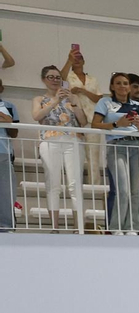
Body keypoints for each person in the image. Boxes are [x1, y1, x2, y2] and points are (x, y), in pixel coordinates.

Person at [91, 72, 139, 235]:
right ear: (112, 86)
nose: (122, 86)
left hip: (137, 146)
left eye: (125, 83)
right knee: (122, 189)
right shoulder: (105, 102)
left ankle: (132, 227)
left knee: (135, 191)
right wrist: (117, 124)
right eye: (118, 83)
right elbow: (95, 124)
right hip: (117, 145)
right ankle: (117, 227)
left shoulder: (138, 106)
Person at [32, 65, 87, 232]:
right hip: (50, 139)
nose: (55, 80)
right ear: (44, 80)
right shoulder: (39, 99)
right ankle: (55, 226)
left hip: (73, 140)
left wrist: (73, 102)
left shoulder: (73, 97)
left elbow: (83, 122)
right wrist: (55, 100)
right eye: (51, 77)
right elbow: (37, 116)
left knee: (75, 184)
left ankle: (78, 227)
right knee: (53, 183)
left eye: (58, 77)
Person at [0, 72, 16, 232]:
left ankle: (6, 227)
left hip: (3, 152)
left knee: (6, 191)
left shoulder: (9, 106)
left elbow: (15, 131)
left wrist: (5, 119)